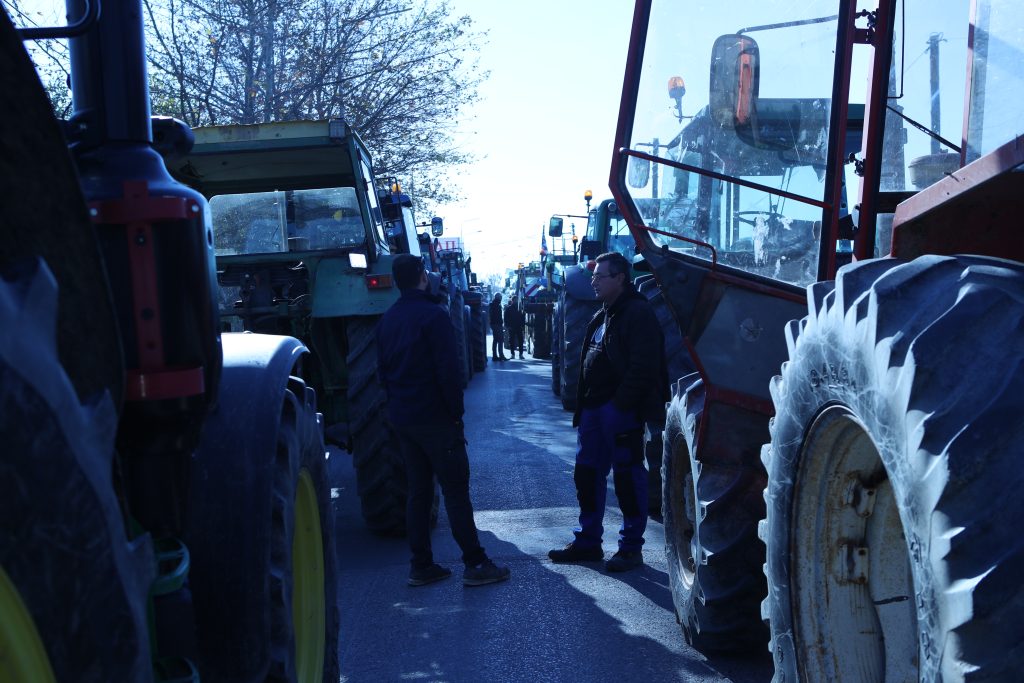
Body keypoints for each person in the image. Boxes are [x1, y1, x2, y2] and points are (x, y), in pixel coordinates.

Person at [376, 254, 511, 587]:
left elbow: (382, 374)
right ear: (423, 276)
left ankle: (421, 566)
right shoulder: (434, 317)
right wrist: (455, 416)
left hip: (404, 420)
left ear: (395, 281)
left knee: (418, 493)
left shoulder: (387, 320)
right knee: (455, 493)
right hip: (436, 418)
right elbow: (449, 373)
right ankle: (476, 564)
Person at [548, 252, 669, 572]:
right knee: (586, 475)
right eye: (594, 276)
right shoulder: (602, 314)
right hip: (594, 411)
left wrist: (621, 405)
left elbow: (645, 366)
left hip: (620, 412)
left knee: (628, 479)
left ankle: (630, 548)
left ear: (620, 279)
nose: (593, 281)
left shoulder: (637, 313)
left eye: (601, 276)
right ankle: (588, 541)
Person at [488, 292, 508, 361]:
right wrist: (501, 324)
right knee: (500, 340)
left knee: (495, 340)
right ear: (498, 297)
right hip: (497, 324)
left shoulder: (492, 304)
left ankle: (494, 356)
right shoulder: (496, 305)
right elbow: (497, 316)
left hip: (494, 324)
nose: (501, 298)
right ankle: (501, 355)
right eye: (500, 297)